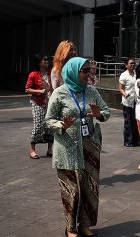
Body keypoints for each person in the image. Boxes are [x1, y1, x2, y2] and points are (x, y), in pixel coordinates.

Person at [46, 57, 110, 237]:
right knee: (71, 190)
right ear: (73, 72)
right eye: (85, 71)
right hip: (67, 148)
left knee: (89, 188)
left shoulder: (91, 91)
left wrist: (99, 114)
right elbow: (49, 119)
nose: (89, 73)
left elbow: (106, 111)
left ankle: (85, 225)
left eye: (89, 70)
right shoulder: (59, 93)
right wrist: (62, 125)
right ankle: (70, 228)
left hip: (89, 148)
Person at [25, 54, 54, 159]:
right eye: (44, 59)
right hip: (38, 102)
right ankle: (32, 149)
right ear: (39, 62)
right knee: (38, 125)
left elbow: (55, 87)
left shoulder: (51, 73)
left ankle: (50, 149)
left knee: (51, 125)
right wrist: (40, 91)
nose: (47, 61)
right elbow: (27, 89)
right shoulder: (33, 74)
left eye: (47, 59)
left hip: (51, 102)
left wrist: (49, 88)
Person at [118, 57, 140, 147]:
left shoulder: (136, 74)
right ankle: (128, 141)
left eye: (134, 63)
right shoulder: (124, 75)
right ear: (126, 65)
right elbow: (121, 88)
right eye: (131, 63)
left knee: (136, 121)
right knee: (128, 122)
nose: (133, 65)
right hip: (127, 102)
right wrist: (125, 94)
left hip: (136, 101)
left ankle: (136, 141)